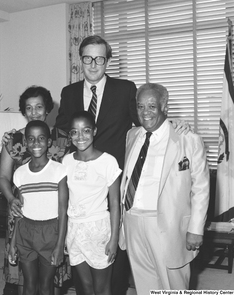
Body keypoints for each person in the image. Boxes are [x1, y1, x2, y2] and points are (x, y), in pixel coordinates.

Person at [54, 34, 191, 295]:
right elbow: (60, 130)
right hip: (83, 186)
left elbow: (147, 121)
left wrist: (176, 125)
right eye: (87, 58)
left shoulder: (125, 89)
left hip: (115, 180)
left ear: (108, 61)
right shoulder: (69, 92)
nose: (93, 64)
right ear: (80, 59)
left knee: (113, 251)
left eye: (100, 58)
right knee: (81, 249)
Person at [119, 83, 210, 294]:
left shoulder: (187, 139)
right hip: (132, 220)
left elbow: (201, 188)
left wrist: (196, 229)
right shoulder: (132, 135)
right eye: (140, 106)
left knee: (173, 286)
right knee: (145, 285)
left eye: (152, 106)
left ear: (164, 107)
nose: (145, 112)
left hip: (167, 223)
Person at [0, 85, 70, 295]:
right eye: (29, 108)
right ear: (23, 111)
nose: (34, 112)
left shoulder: (62, 138)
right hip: (22, 213)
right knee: (24, 277)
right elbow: (3, 176)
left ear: (47, 109)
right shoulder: (12, 140)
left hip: (53, 217)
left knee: (51, 278)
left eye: (39, 107)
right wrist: (11, 199)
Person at [62, 111, 121, 295]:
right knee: (85, 286)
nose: (80, 137)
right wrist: (65, 234)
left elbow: (115, 202)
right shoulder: (66, 161)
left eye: (86, 130)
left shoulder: (108, 161)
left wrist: (114, 239)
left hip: (98, 231)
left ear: (94, 131)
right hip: (74, 230)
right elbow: (65, 202)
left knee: (102, 288)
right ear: (70, 135)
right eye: (74, 132)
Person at [8, 120, 68, 295]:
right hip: (25, 231)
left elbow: (63, 211)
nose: (36, 143)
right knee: (29, 284)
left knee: (45, 285)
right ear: (25, 143)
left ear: (49, 142)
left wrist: (59, 245)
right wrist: (13, 242)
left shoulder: (59, 170)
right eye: (31, 139)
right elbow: (19, 211)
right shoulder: (19, 174)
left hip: (50, 232)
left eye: (41, 138)